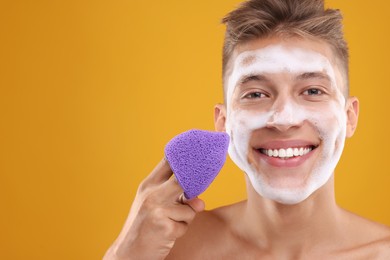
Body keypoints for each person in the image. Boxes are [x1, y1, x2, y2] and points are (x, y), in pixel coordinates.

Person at [104, 0, 390, 259]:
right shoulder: (168, 249)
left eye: (313, 90)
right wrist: (125, 253)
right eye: (255, 94)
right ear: (223, 123)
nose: (283, 118)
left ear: (349, 116)